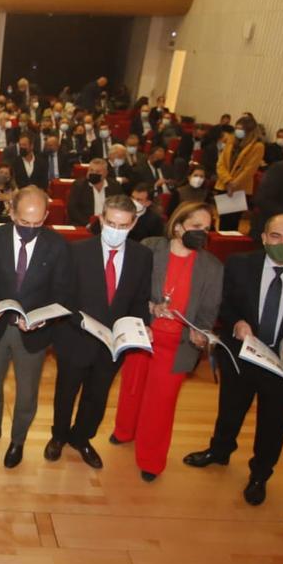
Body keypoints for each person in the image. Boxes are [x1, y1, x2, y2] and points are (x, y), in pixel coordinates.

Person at [184, 213, 283, 503]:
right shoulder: (240, 264)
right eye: (277, 237)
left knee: (274, 422)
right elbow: (225, 303)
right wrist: (236, 322)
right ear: (265, 238)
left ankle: (260, 473)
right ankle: (219, 451)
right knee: (229, 410)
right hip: (241, 356)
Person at [111, 202, 222, 481]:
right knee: (132, 386)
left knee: (160, 402)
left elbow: (208, 313)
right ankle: (125, 431)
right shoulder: (150, 247)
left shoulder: (212, 266)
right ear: (178, 226)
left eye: (207, 229)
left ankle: (150, 460)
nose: (202, 233)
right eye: (196, 226)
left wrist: (202, 334)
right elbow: (131, 288)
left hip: (177, 344)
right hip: (142, 332)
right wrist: (150, 306)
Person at [47, 194, 152, 469]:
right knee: (66, 392)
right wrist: (79, 321)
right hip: (76, 337)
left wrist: (143, 328)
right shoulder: (77, 251)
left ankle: (82, 438)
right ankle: (58, 436)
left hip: (112, 345)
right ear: (102, 219)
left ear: (133, 225)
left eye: (123, 226)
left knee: (97, 395)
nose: (116, 231)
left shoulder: (142, 256)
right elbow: (62, 295)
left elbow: (140, 299)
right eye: (112, 223)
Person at [0, 186, 71, 467]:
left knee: (27, 392)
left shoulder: (57, 245)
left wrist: (43, 317)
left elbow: (62, 293)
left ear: (46, 216)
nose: (30, 228)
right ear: (12, 212)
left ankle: (18, 440)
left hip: (34, 332)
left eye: (37, 223)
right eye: (24, 222)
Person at [215, 115, 266, 232]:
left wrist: (233, 184)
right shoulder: (230, 141)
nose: (238, 131)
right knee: (223, 219)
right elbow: (220, 163)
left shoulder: (258, 146)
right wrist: (227, 181)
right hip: (224, 184)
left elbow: (249, 169)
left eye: (241, 129)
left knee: (232, 221)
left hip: (240, 187)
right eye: (237, 128)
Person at [67, 158, 122, 226]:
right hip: (85, 224)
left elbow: (120, 206)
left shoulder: (115, 186)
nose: (94, 173)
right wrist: (87, 224)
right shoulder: (79, 185)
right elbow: (72, 208)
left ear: (106, 173)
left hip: (109, 223)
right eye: (91, 170)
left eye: (98, 171)